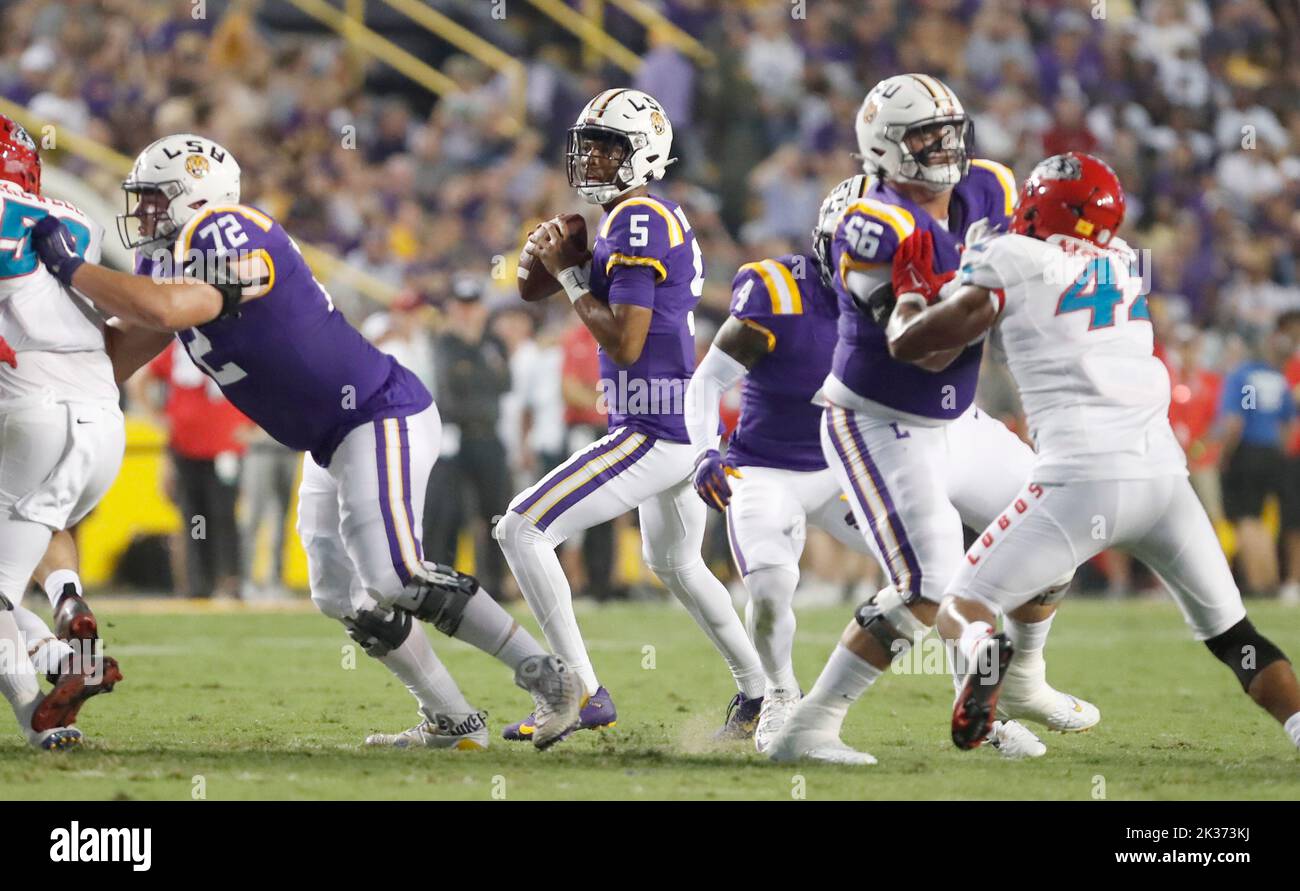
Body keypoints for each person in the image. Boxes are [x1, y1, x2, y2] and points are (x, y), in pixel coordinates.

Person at [29, 132, 583, 750]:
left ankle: (551, 678)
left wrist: (72, 268)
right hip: (331, 438)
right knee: (338, 592)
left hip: (379, 412)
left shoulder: (226, 229)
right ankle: (453, 721)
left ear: (197, 195)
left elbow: (174, 309)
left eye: (157, 199)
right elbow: (115, 355)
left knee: (396, 575)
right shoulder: (162, 261)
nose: (144, 214)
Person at [873, 152, 1300, 754]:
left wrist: (920, 293)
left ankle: (982, 652)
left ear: (1041, 207)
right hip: (1162, 479)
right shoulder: (1124, 262)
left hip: (1082, 479)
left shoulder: (1011, 257)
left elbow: (922, 347)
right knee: (1237, 638)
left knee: (963, 605)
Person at [769, 74, 1095, 766]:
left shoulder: (991, 187)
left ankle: (1023, 680)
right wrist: (985, 295)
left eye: (950, 131)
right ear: (885, 148)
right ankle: (809, 727)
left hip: (958, 418)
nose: (945, 146)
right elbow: (920, 347)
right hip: (879, 419)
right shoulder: (872, 222)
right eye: (925, 135)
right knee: (928, 583)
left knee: (1059, 520)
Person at [493, 89, 767, 745]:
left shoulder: (639, 219)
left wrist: (568, 276)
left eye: (606, 146)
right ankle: (762, 691)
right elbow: (535, 287)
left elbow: (625, 342)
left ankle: (577, 690)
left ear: (641, 153)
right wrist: (551, 263)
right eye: (585, 143)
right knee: (675, 564)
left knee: (520, 528)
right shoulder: (632, 218)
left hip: (654, 425)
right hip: (675, 420)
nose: (590, 156)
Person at [684, 175, 880, 752]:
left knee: (935, 575)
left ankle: (987, 707)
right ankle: (779, 694)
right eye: (854, 251)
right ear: (824, 245)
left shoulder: (902, 302)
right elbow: (707, 382)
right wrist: (704, 451)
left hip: (846, 467)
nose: (867, 267)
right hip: (766, 467)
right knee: (770, 592)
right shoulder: (778, 292)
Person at [0, 115, 122, 750]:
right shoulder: (78, 218)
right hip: (103, 416)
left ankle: (39, 725)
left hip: (30, 410)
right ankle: (62, 647)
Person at [135, 339, 250, 599]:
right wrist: (157, 417)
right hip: (185, 446)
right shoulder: (179, 350)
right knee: (195, 517)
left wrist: (251, 426)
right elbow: (141, 381)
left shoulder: (233, 347)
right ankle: (199, 582)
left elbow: (262, 384)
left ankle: (229, 580)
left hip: (225, 447)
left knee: (223, 515)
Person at [424, 275, 512, 597]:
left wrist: (473, 371)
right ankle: (439, 582)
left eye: (472, 305)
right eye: (462, 306)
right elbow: (451, 390)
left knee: (495, 514)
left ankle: (493, 586)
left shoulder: (492, 343)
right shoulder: (444, 343)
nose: (467, 312)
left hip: (488, 435)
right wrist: (480, 376)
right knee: (447, 512)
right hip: (455, 438)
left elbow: (503, 384)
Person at [1216, 329, 1296, 597]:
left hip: (1247, 450)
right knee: (1261, 519)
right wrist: (1277, 451)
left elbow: (1234, 422)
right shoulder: (1277, 376)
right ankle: (1270, 579)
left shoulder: (1241, 375)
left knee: (1245, 519)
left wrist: (1225, 455)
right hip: (1272, 451)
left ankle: (1256, 584)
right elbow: (1289, 424)